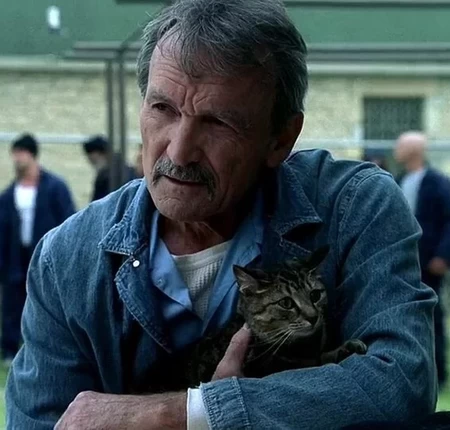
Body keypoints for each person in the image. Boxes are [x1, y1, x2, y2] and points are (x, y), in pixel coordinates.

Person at [6, 1, 437, 429]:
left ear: (280, 140)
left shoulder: (352, 207)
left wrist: (188, 413)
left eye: (217, 123)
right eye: (162, 109)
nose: (179, 152)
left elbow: (400, 381)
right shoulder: (68, 258)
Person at [0, 134, 76, 363]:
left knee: (45, 300)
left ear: (32, 155)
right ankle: (10, 350)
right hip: (16, 256)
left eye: (20, 153)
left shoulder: (54, 187)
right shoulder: (10, 194)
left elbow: (69, 220)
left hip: (44, 254)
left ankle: (47, 349)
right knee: (13, 301)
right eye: (14, 154)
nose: (16, 159)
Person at [395, 131, 450, 387]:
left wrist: (443, 256)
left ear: (415, 150)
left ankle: (438, 374)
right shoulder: (399, 180)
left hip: (429, 262)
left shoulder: (437, 182)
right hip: (402, 262)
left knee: (432, 317)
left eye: (401, 146)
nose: (396, 150)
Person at [82, 135, 137, 201]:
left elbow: (98, 202)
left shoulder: (105, 175)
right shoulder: (128, 169)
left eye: (93, 160)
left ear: (100, 154)